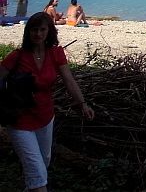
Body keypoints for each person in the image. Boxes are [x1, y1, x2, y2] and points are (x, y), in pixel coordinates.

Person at [0, 12, 95, 192]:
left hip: (45, 118)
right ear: (28, 32)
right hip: (20, 120)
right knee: (37, 173)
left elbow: (69, 80)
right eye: (34, 30)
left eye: (42, 29)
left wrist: (82, 104)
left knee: (42, 165)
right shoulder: (17, 56)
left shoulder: (56, 54)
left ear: (49, 31)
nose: (38, 34)